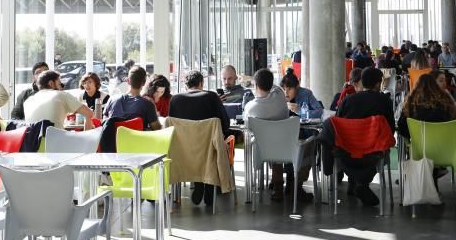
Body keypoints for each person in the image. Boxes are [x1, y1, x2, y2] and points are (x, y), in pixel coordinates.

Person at [244, 68, 314, 202]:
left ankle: (278, 188)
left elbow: (247, 125)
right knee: (302, 143)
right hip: (287, 149)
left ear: (255, 86)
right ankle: (295, 186)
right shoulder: (280, 96)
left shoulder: (250, 108)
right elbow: (274, 86)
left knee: (271, 145)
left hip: (263, 151)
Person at [334, 67, 395, 206]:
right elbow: (390, 129)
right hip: (373, 152)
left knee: (356, 144)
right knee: (377, 146)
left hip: (348, 151)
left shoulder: (348, 100)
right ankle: (362, 184)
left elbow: (339, 125)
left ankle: (355, 182)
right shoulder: (384, 100)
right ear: (377, 84)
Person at [169, 70, 230, 206]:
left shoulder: (175, 99)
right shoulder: (212, 97)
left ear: (186, 85)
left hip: (184, 152)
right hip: (208, 151)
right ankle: (209, 185)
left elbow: (170, 129)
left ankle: (198, 183)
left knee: (195, 147)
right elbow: (225, 124)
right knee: (211, 147)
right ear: (202, 83)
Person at [397, 73, 456, 138]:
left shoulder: (411, 105)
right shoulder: (445, 104)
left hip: (420, 146)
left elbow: (402, 128)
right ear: (436, 87)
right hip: (446, 145)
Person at [24, 70, 94, 129]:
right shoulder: (61, 95)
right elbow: (89, 114)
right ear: (51, 83)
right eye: (60, 84)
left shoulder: (28, 101)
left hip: (32, 144)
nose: (61, 88)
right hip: (56, 143)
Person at [104, 66, 162, 130]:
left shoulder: (112, 99)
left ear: (128, 81)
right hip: (137, 139)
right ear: (144, 82)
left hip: (113, 139)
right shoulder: (148, 104)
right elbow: (157, 129)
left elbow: (104, 123)